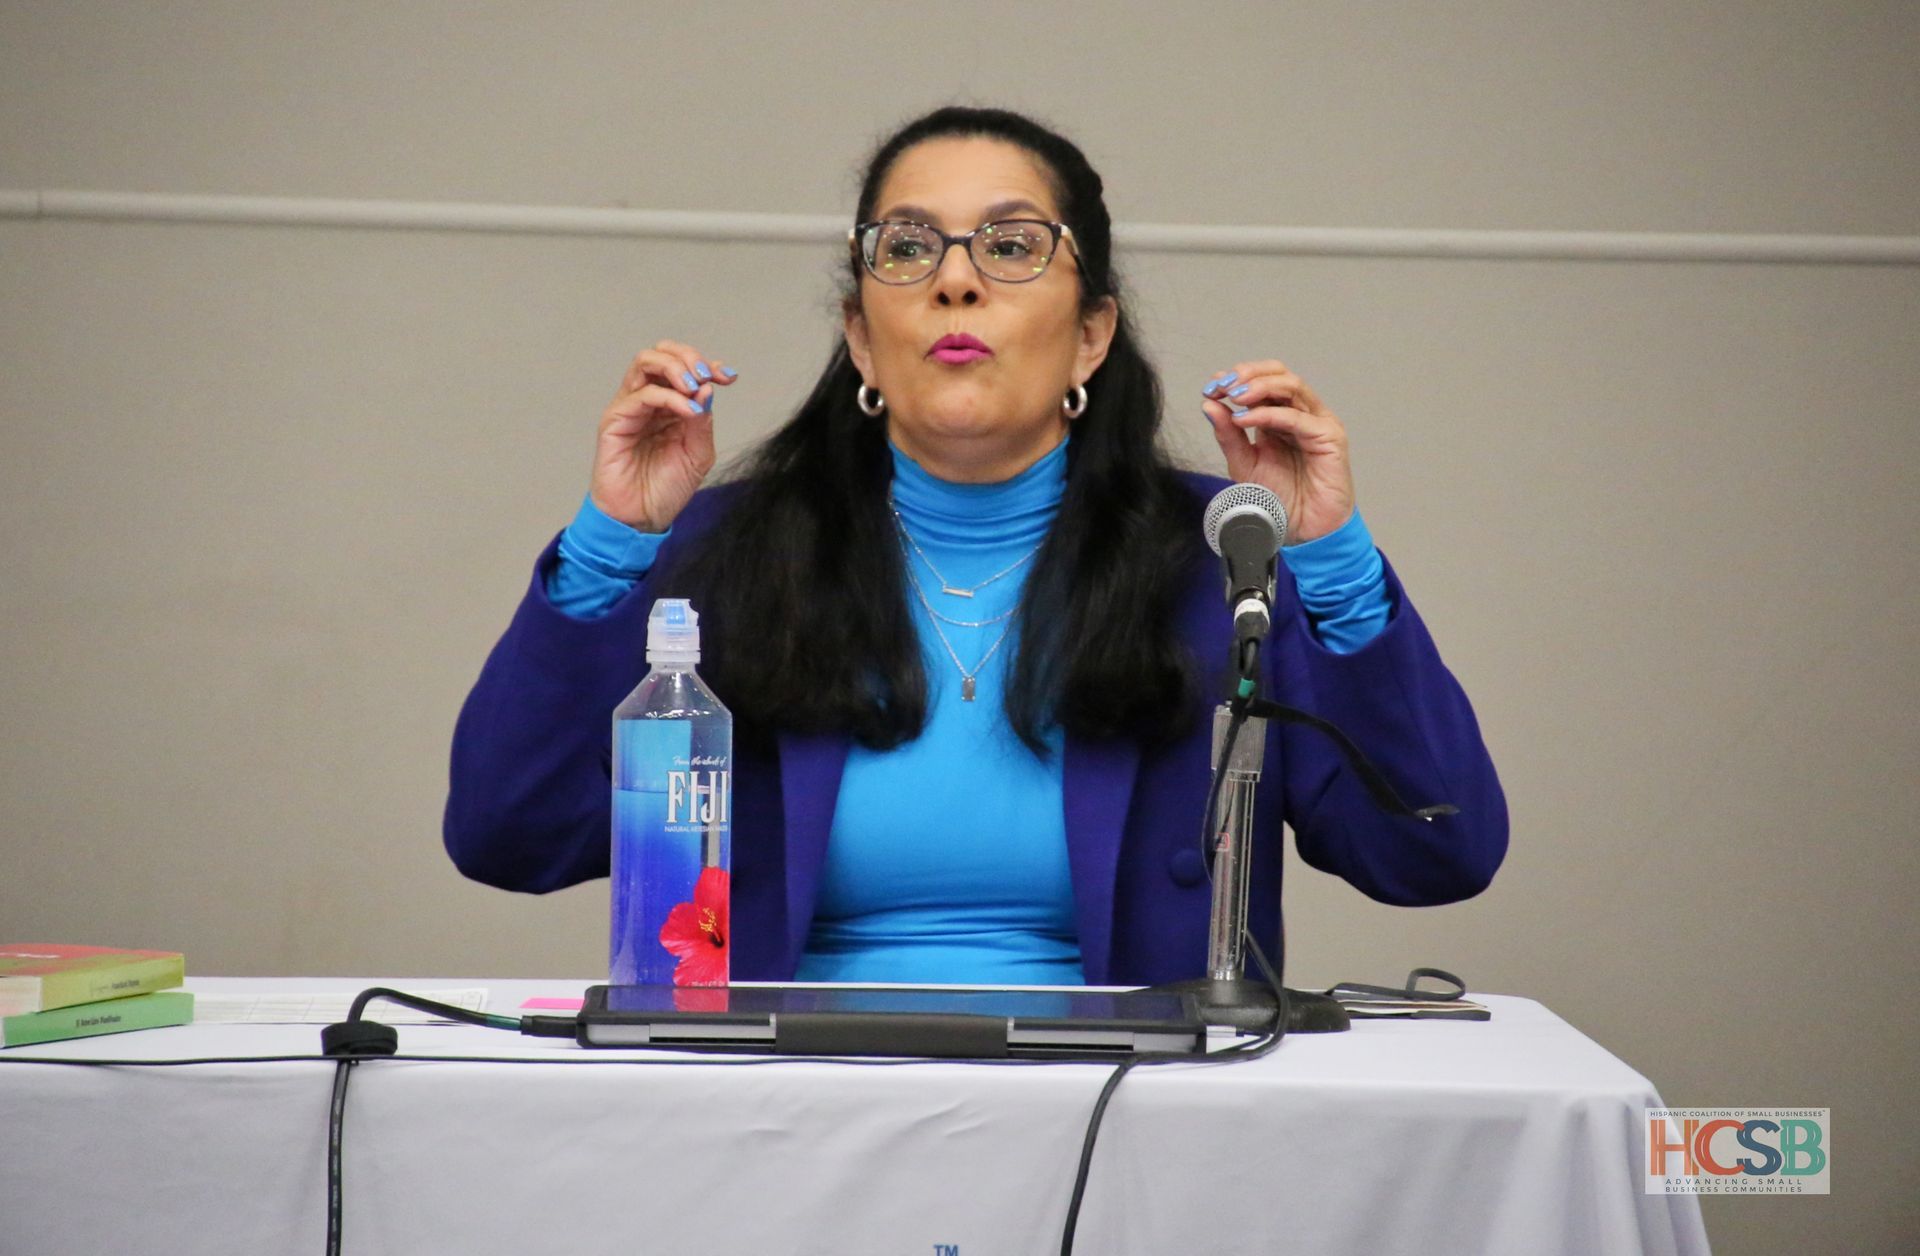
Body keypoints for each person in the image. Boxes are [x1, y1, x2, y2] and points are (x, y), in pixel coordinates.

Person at [444, 105, 1507, 986]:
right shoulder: (726, 554)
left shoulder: (1220, 560)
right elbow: (509, 837)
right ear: (861, 338)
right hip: (783, 1098)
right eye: (908, 248)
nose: (956, 282)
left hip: (1121, 1111)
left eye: (1010, 246)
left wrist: (1331, 559)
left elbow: (1434, 852)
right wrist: (613, 541)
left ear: (1091, 334)